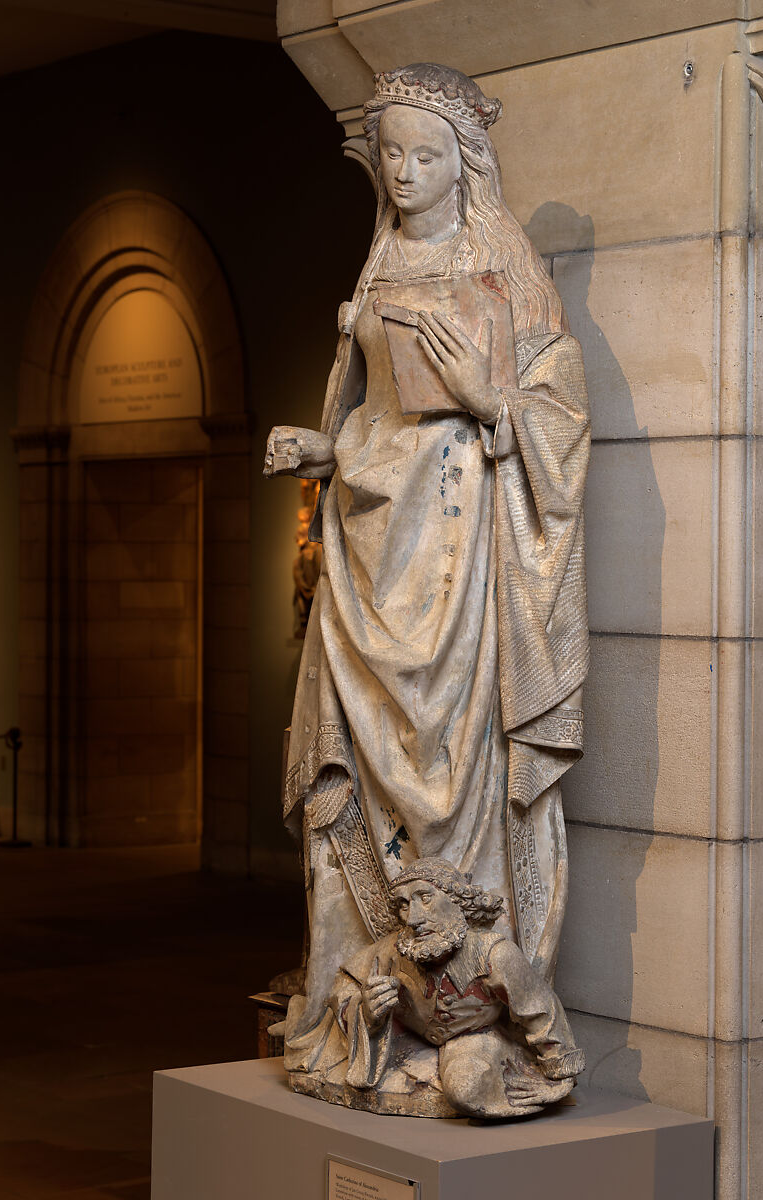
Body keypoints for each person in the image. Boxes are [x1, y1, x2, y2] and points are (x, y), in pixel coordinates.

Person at [264, 63, 590, 1106]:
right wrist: (321, 447)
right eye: (392, 154)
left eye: (426, 154)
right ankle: (356, 1009)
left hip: (458, 559)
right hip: (371, 552)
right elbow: (368, 409)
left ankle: (466, 1005)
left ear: (466, 164)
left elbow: (558, 416)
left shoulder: (507, 273)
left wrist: (489, 400)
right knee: (357, 767)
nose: (403, 173)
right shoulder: (376, 268)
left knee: (455, 765)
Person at [282, 857, 584, 1117]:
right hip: (412, 1043)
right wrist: (367, 1013)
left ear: (457, 900)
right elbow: (345, 983)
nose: (413, 919)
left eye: (425, 898)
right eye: (404, 905)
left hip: (472, 1039)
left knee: (465, 1091)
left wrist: (559, 1078)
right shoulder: (395, 950)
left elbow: (542, 1012)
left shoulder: (493, 954)